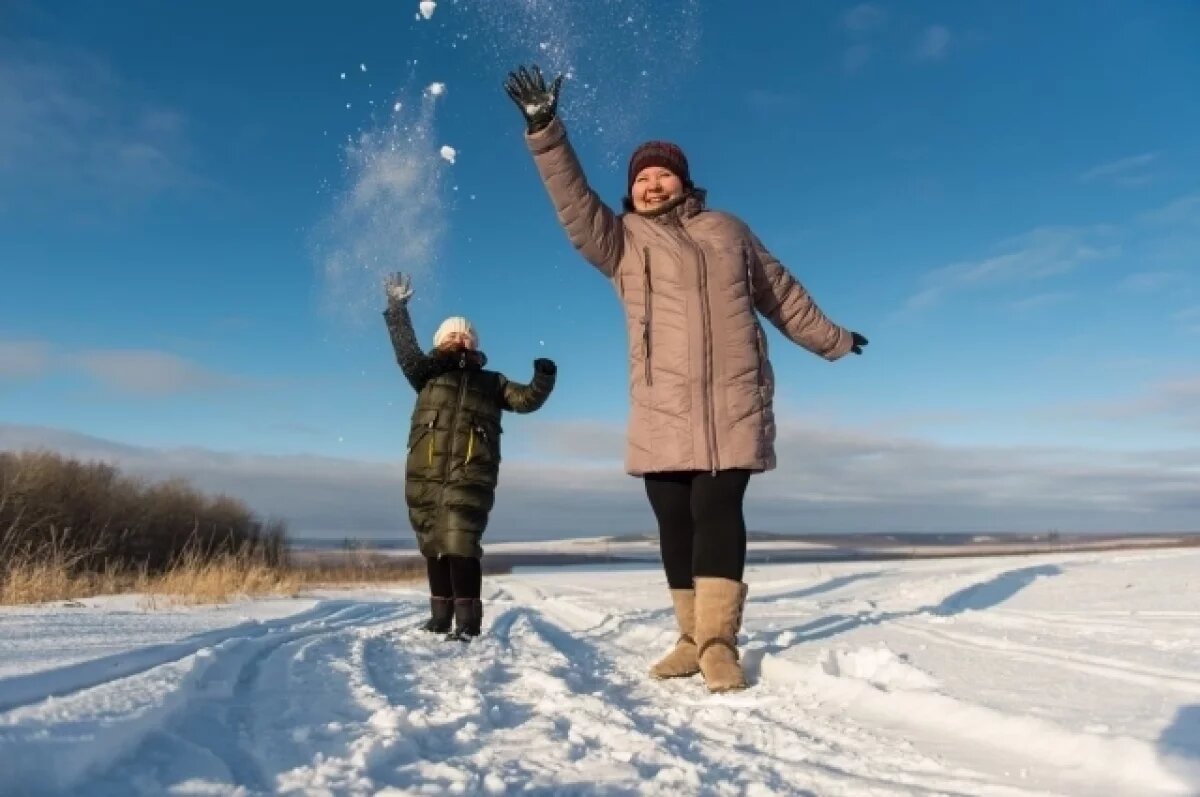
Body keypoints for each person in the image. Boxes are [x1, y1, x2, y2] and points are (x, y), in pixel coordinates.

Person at [503, 66, 869, 690]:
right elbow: (574, 202)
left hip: (733, 397)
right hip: (661, 403)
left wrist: (831, 337)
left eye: (662, 175)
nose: (651, 186)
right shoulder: (621, 240)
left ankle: (719, 642)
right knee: (674, 518)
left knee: (716, 508)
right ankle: (691, 637)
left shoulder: (728, 230)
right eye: (641, 179)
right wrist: (546, 131)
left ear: (683, 179)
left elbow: (780, 294)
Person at [383, 272, 557, 641]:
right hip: (425, 475)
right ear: (440, 342)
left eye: (465, 336)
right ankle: (440, 617)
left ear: (474, 344)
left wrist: (543, 378)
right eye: (452, 336)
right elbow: (405, 349)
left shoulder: (492, 382)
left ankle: (467, 623)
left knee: (460, 543)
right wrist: (397, 308)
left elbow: (526, 400)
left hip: (470, 474)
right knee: (434, 546)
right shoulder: (425, 375)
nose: (459, 341)